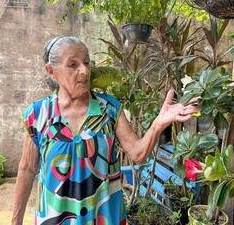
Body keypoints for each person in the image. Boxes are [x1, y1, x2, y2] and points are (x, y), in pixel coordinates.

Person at [11, 36, 199, 225]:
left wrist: (158, 123)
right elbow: (27, 169)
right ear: (52, 71)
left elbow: (137, 153)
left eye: (86, 63)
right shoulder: (38, 115)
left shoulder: (109, 109)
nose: (84, 70)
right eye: (73, 65)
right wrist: (15, 221)